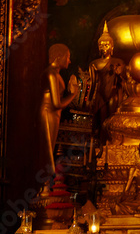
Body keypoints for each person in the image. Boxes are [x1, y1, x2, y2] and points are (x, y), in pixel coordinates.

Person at [39, 44, 79, 179]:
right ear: (58, 57)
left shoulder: (56, 74)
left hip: (54, 114)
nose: (69, 61)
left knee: (50, 147)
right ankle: (45, 184)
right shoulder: (51, 74)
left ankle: (46, 183)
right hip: (48, 112)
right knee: (47, 150)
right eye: (67, 57)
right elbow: (56, 103)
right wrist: (73, 94)